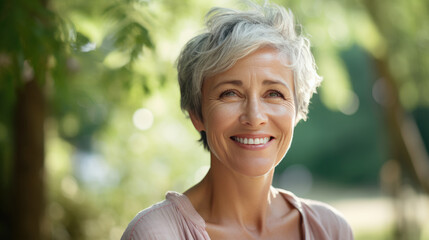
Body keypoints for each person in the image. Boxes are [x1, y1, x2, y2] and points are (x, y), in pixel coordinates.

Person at [122, 2, 353, 239]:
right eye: (230, 93)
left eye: (274, 94)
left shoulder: (332, 230)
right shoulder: (156, 234)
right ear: (196, 114)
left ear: (297, 111)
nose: (254, 117)